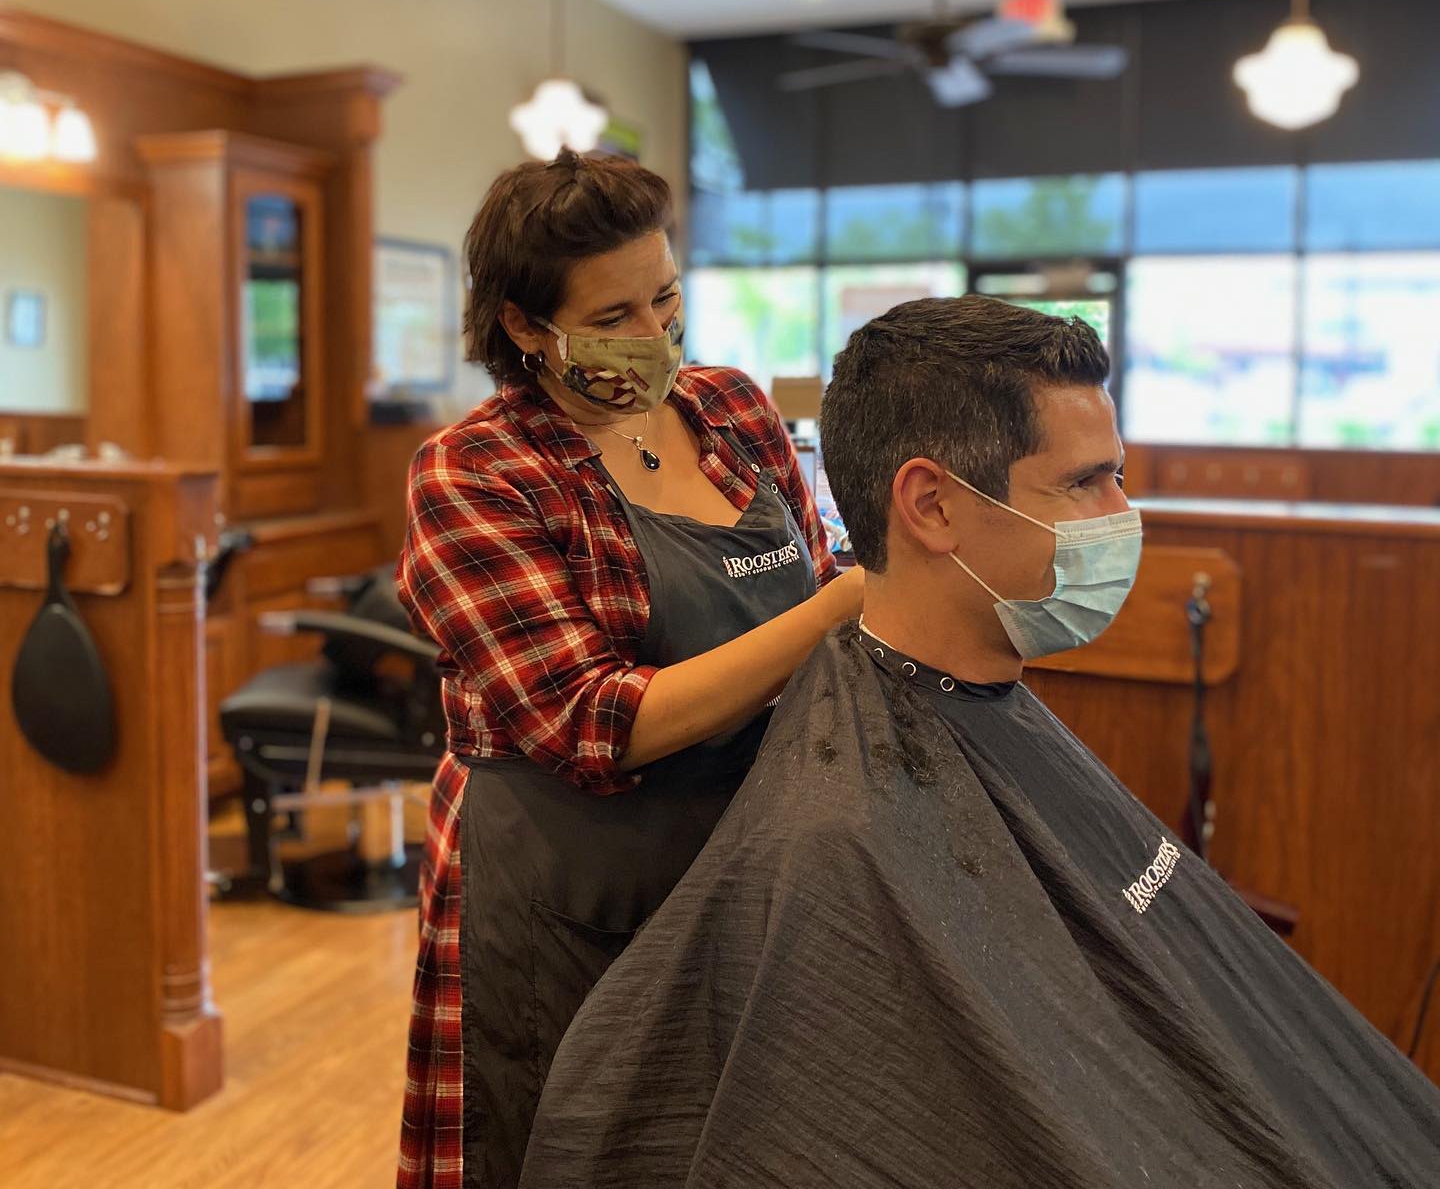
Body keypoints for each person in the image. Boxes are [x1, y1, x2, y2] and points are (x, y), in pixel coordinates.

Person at [520, 295, 1440, 1189]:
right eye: (1083, 482)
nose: (1122, 514)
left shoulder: (974, 718)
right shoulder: (839, 841)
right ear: (931, 506)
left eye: (1119, 475)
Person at [394, 151, 862, 1189]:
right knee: (568, 1145)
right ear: (524, 326)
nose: (655, 335)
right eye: (614, 317)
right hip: (570, 884)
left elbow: (818, 581)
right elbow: (590, 722)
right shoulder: (477, 473)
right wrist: (835, 613)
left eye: (666, 298)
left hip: (748, 856)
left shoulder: (733, 412)